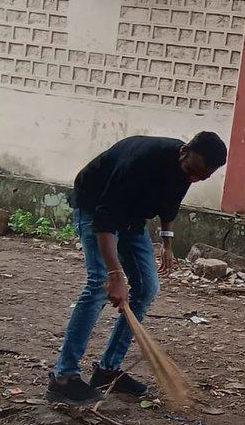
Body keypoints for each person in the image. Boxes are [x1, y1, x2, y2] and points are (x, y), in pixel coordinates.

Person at [46, 131, 228, 406]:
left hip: (132, 217)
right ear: (183, 151)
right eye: (191, 171)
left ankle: (107, 371)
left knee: (147, 288)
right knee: (98, 285)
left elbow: (169, 204)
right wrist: (115, 275)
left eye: (200, 178)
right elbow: (105, 219)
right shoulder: (139, 162)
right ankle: (63, 379)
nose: (192, 179)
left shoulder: (187, 169)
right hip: (95, 207)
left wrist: (167, 242)